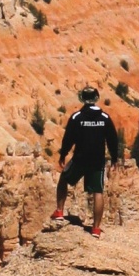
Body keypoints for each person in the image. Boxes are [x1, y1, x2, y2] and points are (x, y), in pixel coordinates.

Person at [49, 85, 122, 237]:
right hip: (97, 160)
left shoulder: (77, 117)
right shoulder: (105, 118)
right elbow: (113, 140)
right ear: (96, 98)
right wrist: (115, 157)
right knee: (98, 191)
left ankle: (60, 211)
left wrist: (63, 154)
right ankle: (95, 228)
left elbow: (68, 138)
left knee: (64, 178)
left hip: (80, 159)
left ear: (82, 98)